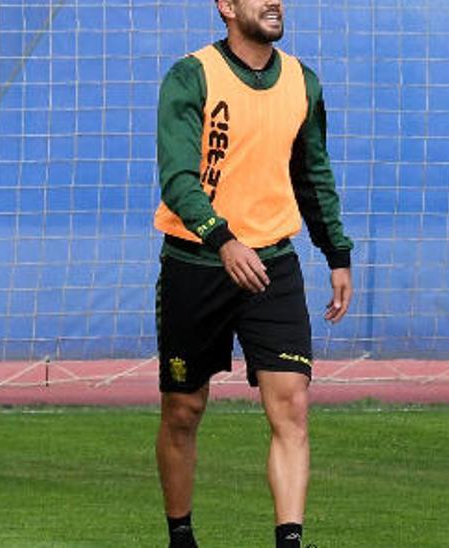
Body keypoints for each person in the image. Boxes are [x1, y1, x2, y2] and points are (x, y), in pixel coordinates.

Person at [152, 1, 353, 547]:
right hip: (196, 264)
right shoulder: (191, 76)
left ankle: (289, 540)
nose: (274, 2)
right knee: (183, 409)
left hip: (272, 263)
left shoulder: (301, 82)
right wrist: (222, 239)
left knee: (292, 404)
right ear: (226, 6)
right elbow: (178, 178)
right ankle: (181, 536)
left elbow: (313, 175)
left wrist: (337, 254)